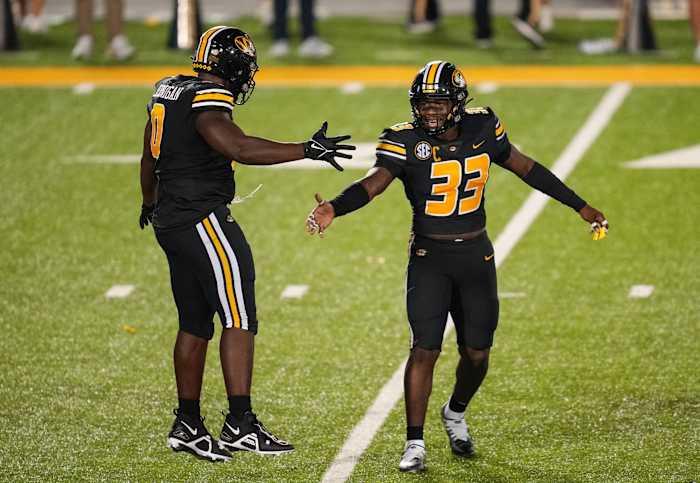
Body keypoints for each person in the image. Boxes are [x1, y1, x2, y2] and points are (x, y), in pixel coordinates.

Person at [306, 60, 608, 472]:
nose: (430, 111)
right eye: (424, 103)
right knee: (424, 348)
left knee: (477, 353)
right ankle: (414, 442)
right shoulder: (403, 140)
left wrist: (580, 206)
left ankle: (455, 412)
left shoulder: (482, 129)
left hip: (475, 258)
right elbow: (373, 183)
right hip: (429, 259)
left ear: (458, 103)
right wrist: (335, 209)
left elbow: (527, 168)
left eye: (439, 103)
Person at [139, 25, 354, 462]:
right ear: (232, 67)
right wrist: (305, 149)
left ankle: (188, 423)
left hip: (171, 218)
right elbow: (237, 147)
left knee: (195, 321)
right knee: (239, 316)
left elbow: (149, 153)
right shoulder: (208, 98)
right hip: (201, 217)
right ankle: (240, 423)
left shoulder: (170, 89)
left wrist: (149, 201)